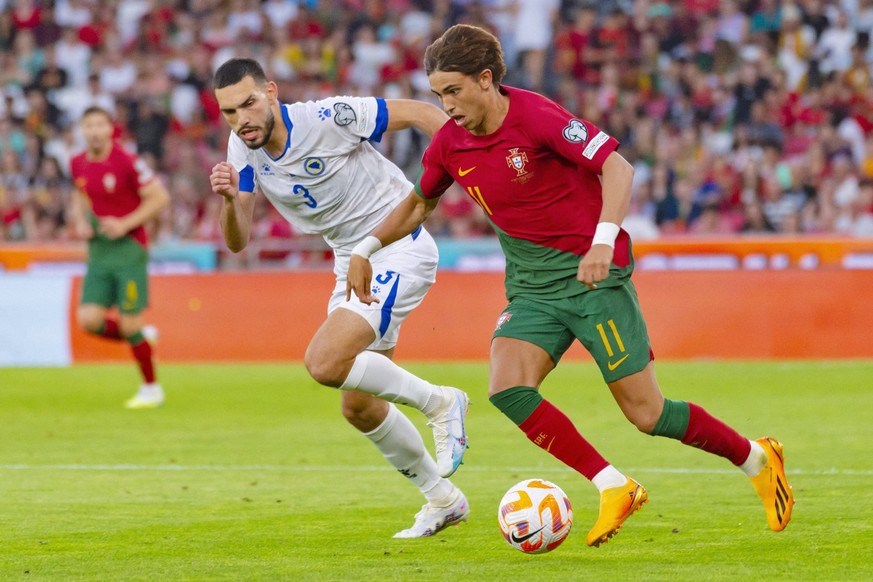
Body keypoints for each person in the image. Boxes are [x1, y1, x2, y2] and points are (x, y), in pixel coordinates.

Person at [347, 25, 795, 547]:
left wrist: (603, 242)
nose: (445, 105)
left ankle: (756, 457)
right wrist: (366, 247)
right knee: (507, 387)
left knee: (647, 414)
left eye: (453, 90)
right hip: (533, 289)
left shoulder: (536, 116)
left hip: (593, 278)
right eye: (438, 95)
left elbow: (618, 168)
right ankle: (613, 485)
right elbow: (419, 203)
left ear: (486, 79)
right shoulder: (450, 144)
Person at [208, 58, 470, 538]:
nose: (241, 118)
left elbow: (419, 113)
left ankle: (441, 403)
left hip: (398, 245)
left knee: (325, 362)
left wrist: (457, 169)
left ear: (270, 91)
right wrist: (228, 200)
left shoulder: (330, 117)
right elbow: (238, 240)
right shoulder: (241, 150)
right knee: (360, 407)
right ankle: (443, 499)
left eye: (248, 103)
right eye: (229, 112)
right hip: (350, 262)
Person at [68, 105, 170, 408]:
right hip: (99, 251)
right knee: (88, 320)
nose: (95, 131)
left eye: (101, 125)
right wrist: (80, 220)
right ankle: (140, 337)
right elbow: (78, 194)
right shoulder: (76, 163)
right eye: (89, 125)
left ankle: (152, 388)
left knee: (128, 324)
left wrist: (125, 224)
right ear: (82, 130)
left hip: (129, 250)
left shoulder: (127, 161)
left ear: (111, 129)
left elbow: (160, 198)